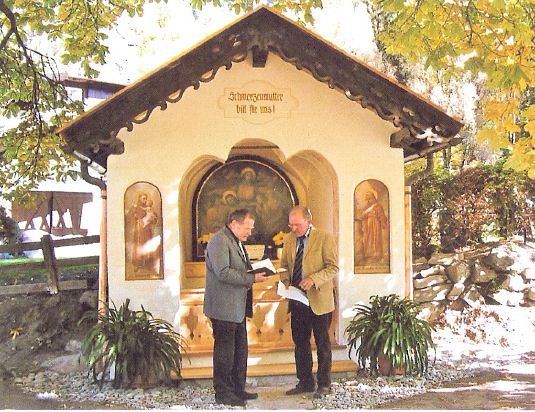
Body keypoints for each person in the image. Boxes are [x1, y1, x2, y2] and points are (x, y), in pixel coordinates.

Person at [203, 209, 269, 406]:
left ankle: (238, 389)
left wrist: (256, 270)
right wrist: (252, 278)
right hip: (224, 308)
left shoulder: (236, 240)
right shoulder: (219, 241)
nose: (250, 232)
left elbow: (239, 267)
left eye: (251, 228)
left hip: (237, 307)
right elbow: (223, 272)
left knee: (239, 351)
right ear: (234, 223)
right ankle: (223, 393)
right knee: (225, 352)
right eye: (247, 228)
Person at [279, 206, 338, 399]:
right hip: (297, 300)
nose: (293, 228)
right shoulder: (288, 239)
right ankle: (305, 382)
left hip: (319, 298)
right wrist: (286, 280)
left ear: (309, 221)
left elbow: (333, 267)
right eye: (290, 225)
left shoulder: (324, 237)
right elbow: (284, 266)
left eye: (297, 225)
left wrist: (314, 279)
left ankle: (324, 384)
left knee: (322, 343)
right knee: (300, 343)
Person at [361, 190, 388, 264]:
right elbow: (363, 216)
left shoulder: (377, 206)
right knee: (368, 240)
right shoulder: (366, 207)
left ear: (373, 197)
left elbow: (382, 216)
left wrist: (383, 223)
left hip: (376, 225)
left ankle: (377, 255)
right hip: (367, 225)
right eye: (367, 199)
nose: (369, 200)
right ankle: (368, 255)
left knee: (376, 239)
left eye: (370, 198)